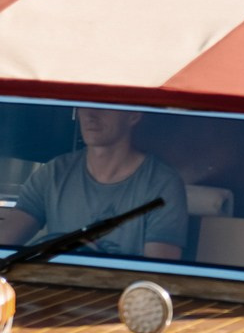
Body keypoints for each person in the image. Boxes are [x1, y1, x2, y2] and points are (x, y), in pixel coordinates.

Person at [0, 106, 188, 261]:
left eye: (104, 105)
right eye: (84, 105)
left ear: (133, 115)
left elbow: (158, 277)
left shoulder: (162, 185)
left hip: (122, 294)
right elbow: (6, 239)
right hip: (54, 290)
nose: (90, 114)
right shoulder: (54, 173)